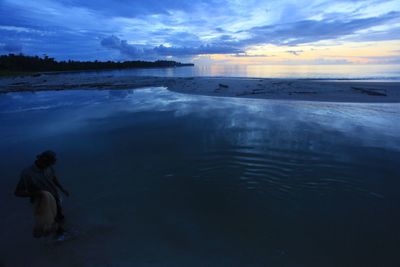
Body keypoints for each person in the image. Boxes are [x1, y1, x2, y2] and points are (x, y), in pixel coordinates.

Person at [15, 150, 69, 237]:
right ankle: (56, 234)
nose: (49, 166)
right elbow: (17, 192)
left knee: (59, 215)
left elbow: (53, 178)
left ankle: (59, 230)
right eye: (48, 163)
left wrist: (62, 189)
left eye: (50, 164)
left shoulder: (48, 167)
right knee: (48, 220)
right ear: (42, 161)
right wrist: (37, 193)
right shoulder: (27, 173)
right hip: (42, 202)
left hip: (54, 196)